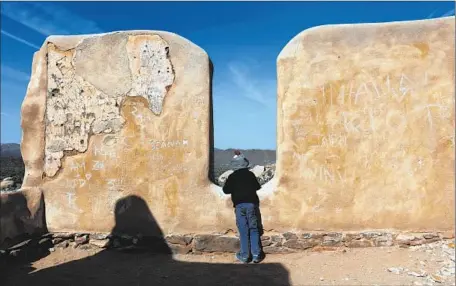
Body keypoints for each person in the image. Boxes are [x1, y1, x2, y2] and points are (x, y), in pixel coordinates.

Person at [223, 150, 265, 264]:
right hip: (251, 204)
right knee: (254, 229)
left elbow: (226, 190)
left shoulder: (232, 176)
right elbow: (258, 187)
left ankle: (245, 255)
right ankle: (256, 255)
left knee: (243, 230)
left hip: (239, 205)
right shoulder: (250, 174)